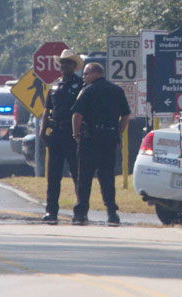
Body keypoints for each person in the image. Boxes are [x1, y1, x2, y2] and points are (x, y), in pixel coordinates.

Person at [71, 63, 130, 226]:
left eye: (85, 74)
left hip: (90, 139)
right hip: (109, 138)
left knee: (84, 177)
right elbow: (126, 115)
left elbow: (77, 115)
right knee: (107, 177)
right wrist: (118, 132)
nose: (84, 78)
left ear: (95, 73)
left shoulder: (87, 91)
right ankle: (112, 213)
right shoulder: (117, 91)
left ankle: (81, 213)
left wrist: (76, 135)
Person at [39, 49, 84, 224]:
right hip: (56, 133)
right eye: (62, 63)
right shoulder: (55, 86)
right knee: (53, 175)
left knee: (77, 173)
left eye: (68, 63)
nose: (64, 65)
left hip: (73, 134)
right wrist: (43, 131)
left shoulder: (80, 85)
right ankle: (51, 211)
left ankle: (80, 211)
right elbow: (47, 110)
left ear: (74, 66)